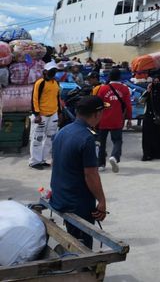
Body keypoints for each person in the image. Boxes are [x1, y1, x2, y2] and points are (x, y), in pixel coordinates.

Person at [50, 96, 108, 248]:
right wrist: (101, 201)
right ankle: (83, 266)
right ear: (97, 114)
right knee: (83, 243)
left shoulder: (63, 131)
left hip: (60, 196)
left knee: (73, 235)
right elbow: (91, 175)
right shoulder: (88, 138)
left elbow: (57, 164)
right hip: (77, 203)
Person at [93, 68, 132, 173]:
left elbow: (98, 105)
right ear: (120, 76)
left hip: (103, 120)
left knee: (101, 143)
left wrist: (95, 119)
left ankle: (101, 164)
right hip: (117, 120)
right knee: (117, 141)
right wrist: (129, 118)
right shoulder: (124, 89)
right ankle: (114, 157)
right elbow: (128, 105)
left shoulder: (103, 89)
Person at [29, 62, 63, 169]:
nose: (53, 73)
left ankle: (42, 159)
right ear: (45, 71)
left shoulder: (56, 84)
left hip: (53, 114)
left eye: (54, 71)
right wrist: (37, 114)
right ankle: (34, 161)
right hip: (41, 115)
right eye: (51, 71)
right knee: (37, 138)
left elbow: (57, 99)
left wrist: (59, 113)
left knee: (50, 138)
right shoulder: (40, 83)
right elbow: (34, 99)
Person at [141, 71, 160, 161]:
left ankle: (159, 152)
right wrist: (147, 91)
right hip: (148, 117)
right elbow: (141, 101)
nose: (156, 84)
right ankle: (148, 154)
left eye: (158, 82)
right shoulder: (149, 91)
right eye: (154, 82)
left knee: (159, 135)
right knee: (148, 136)